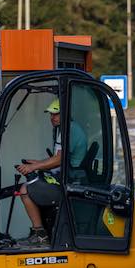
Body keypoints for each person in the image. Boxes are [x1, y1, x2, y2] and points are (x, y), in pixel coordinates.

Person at [15, 98, 87, 246]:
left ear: (65, 114)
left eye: (56, 114)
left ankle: (40, 234)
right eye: (50, 114)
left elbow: (59, 160)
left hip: (69, 181)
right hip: (65, 176)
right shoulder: (66, 128)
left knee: (25, 190)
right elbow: (58, 159)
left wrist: (34, 167)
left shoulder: (69, 130)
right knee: (32, 182)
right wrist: (37, 163)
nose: (52, 118)